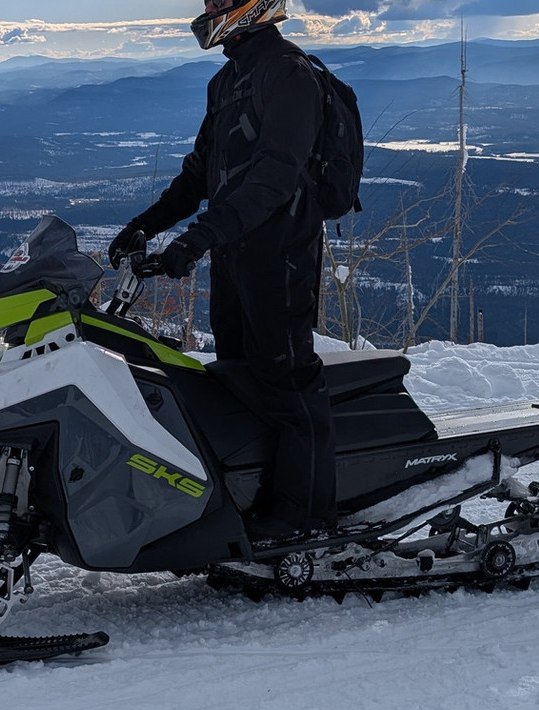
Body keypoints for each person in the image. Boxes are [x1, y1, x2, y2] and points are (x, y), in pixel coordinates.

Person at [108, 0, 337, 542]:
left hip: (280, 254)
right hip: (235, 255)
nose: (210, 10)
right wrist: (146, 224)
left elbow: (274, 179)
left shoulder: (289, 74)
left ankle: (307, 517)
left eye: (219, 2)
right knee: (237, 376)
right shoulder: (230, 80)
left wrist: (200, 237)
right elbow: (199, 176)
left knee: (288, 383)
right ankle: (252, 493)